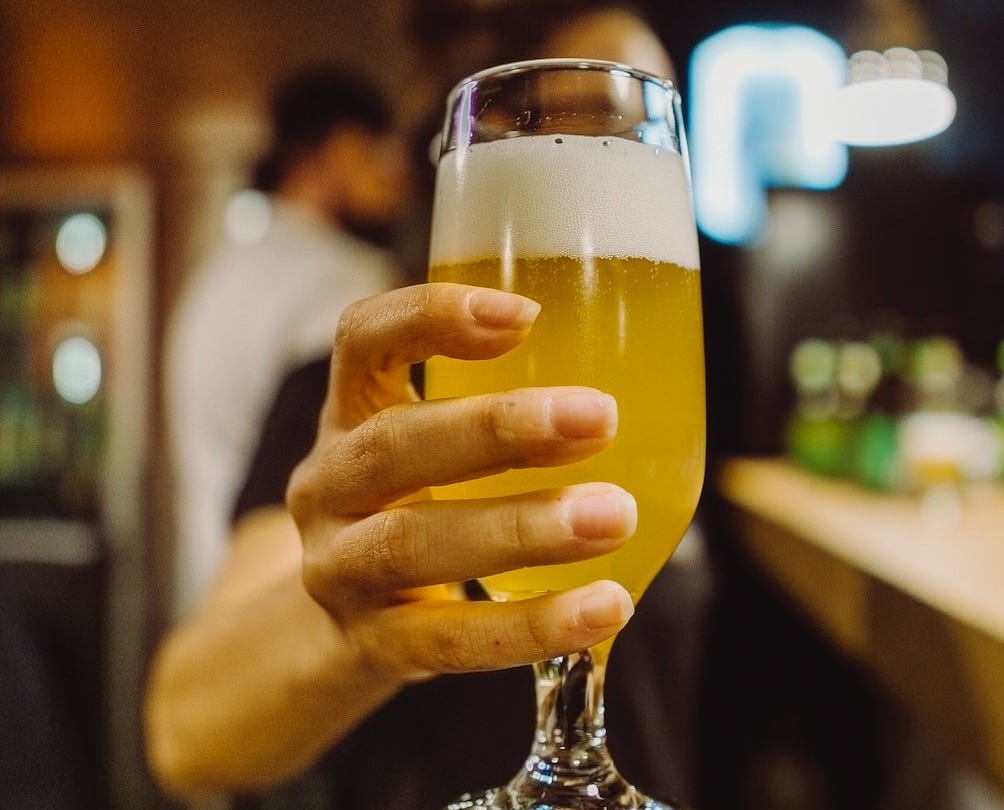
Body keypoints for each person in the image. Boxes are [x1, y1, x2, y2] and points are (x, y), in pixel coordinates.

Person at [145, 4, 713, 809]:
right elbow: (182, 731)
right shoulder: (368, 394)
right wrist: (349, 632)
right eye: (587, 115)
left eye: (649, 121)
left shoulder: (664, 378)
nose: (624, 152)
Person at [164, 67, 410, 617]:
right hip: (287, 604)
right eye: (374, 153)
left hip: (208, 593)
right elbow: (324, 478)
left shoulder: (216, 273)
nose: (394, 176)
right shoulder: (347, 278)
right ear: (317, 159)